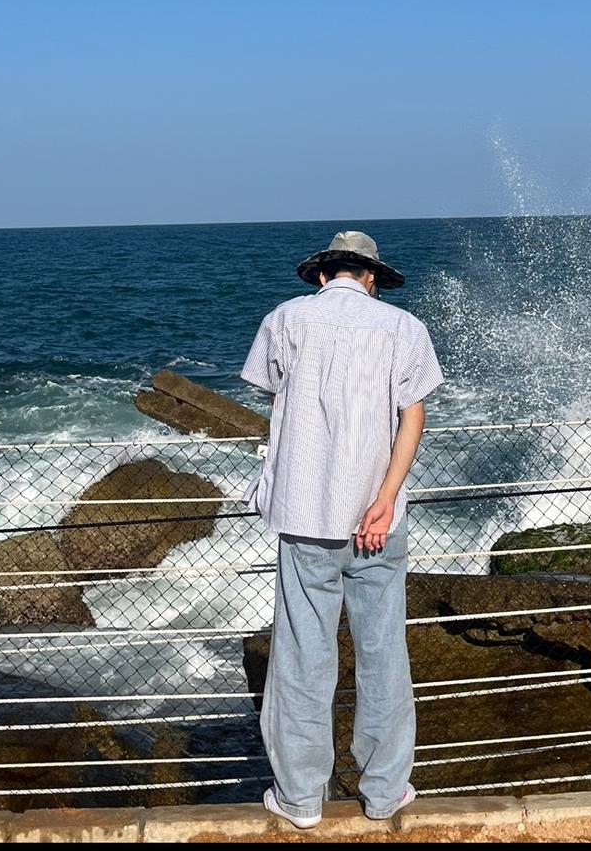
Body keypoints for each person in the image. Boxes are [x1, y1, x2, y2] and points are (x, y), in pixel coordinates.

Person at [240, 230, 444, 829]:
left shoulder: (283, 320)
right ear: (372, 277)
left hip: (305, 513)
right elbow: (413, 419)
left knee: (304, 653)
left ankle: (301, 799)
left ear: (325, 274)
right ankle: (384, 793)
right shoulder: (402, 328)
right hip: (377, 518)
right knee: (382, 652)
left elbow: (276, 399)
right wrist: (383, 500)